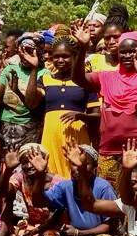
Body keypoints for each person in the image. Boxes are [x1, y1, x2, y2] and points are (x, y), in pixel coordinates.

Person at [71, 24, 137, 183]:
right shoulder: (106, 76)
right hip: (108, 151)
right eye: (123, 52)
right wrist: (82, 47)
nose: (127, 56)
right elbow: (78, 79)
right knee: (109, 200)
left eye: (132, 51)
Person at [25, 35, 98, 179]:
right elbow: (31, 102)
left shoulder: (85, 81)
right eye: (56, 56)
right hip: (51, 137)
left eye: (65, 56)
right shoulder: (45, 79)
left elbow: (97, 116)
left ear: (75, 57)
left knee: (78, 176)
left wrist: (80, 116)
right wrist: (34, 69)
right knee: (52, 178)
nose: (60, 60)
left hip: (77, 137)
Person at [42, 144, 124, 236]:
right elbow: (40, 201)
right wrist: (40, 174)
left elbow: (108, 226)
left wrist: (78, 233)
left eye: (83, 164)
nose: (77, 168)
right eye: (73, 164)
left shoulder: (103, 187)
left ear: (94, 168)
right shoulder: (66, 186)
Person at [6, 144, 62, 236]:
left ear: (45, 160)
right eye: (25, 162)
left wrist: (36, 230)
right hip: (31, 226)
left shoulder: (57, 183)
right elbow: (6, 192)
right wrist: (8, 170)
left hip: (52, 226)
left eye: (34, 160)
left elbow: (56, 216)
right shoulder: (21, 178)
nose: (30, 165)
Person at [0, 33, 45, 150]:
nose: (25, 55)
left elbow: (32, 103)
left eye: (29, 51)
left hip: (30, 127)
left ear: (37, 52)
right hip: (6, 125)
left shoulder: (44, 74)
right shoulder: (10, 69)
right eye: (22, 51)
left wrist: (34, 69)